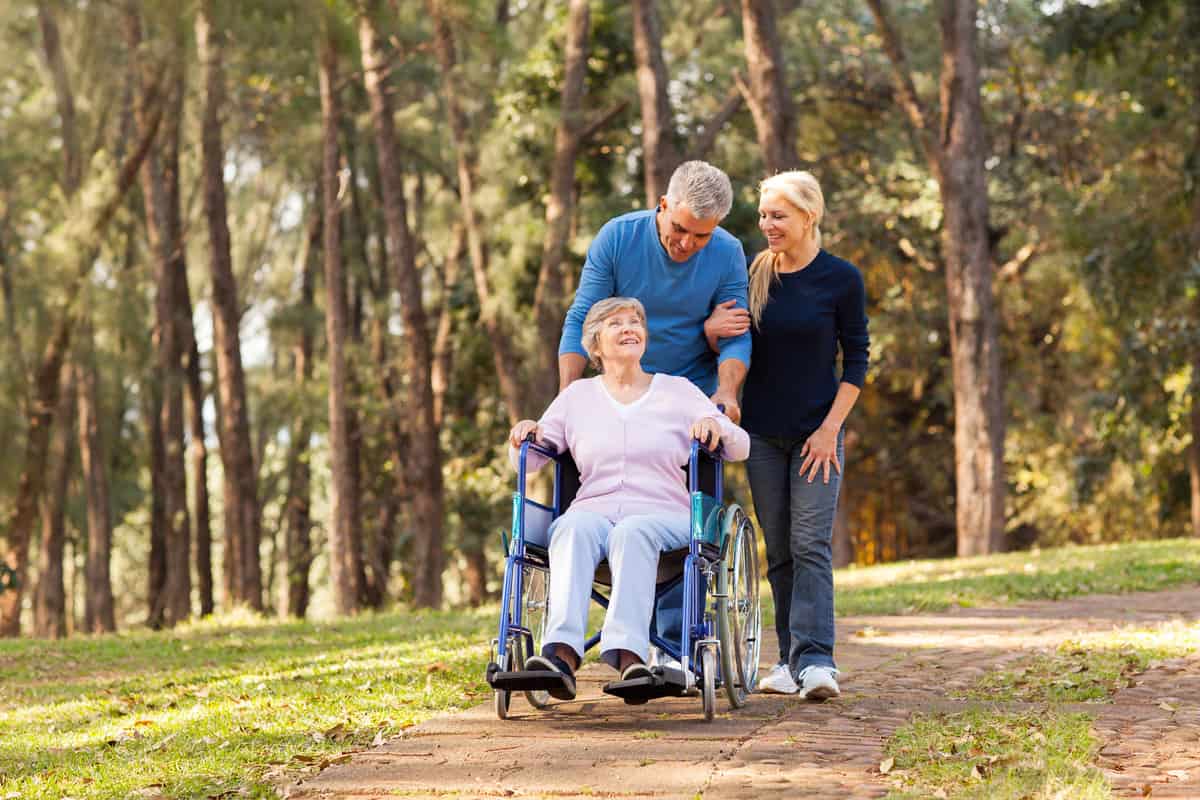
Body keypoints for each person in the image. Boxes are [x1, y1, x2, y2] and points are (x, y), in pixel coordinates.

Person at [511, 298, 749, 701]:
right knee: (569, 527)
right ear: (595, 346)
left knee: (633, 532)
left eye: (635, 321)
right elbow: (530, 460)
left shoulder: (677, 391)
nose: (629, 328)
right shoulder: (576, 398)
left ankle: (629, 656)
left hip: (664, 515)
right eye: (616, 323)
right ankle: (560, 656)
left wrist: (714, 423)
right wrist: (526, 430)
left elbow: (740, 445)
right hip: (594, 511)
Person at [740, 171, 869, 701]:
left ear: (808, 216)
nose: (767, 225)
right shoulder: (756, 273)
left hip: (819, 435)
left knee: (810, 542)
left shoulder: (841, 278)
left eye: (778, 215)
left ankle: (818, 661)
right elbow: (735, 345)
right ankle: (791, 661)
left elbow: (857, 360)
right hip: (762, 436)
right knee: (780, 553)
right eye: (764, 215)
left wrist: (829, 430)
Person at [557, 160, 752, 422]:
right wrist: (567, 395)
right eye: (680, 228)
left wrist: (727, 393)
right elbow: (582, 317)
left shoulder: (728, 252)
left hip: (692, 402)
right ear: (663, 205)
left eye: (701, 236)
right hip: (619, 397)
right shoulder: (617, 237)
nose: (686, 243)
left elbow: (735, 336)